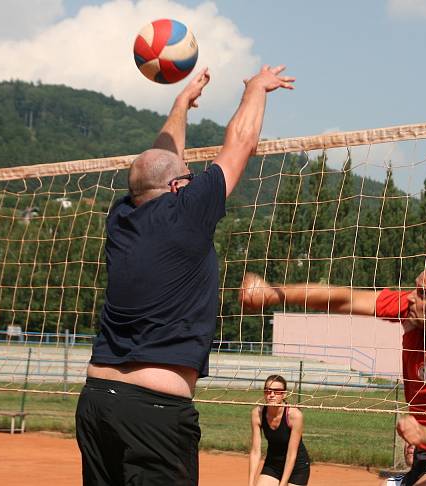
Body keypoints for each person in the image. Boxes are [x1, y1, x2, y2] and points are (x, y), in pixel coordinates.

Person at [74, 65, 295, 486]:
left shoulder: (121, 216)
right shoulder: (187, 210)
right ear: (178, 187)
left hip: (97, 400)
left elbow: (158, 163)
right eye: (187, 177)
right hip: (154, 411)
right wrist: (255, 89)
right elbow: (242, 141)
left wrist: (180, 106)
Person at [240, 264, 426, 486]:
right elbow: (345, 299)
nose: (410, 297)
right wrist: (276, 293)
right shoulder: (413, 312)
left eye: (423, 293)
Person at [249, 375, 311, 486]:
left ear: (284, 394)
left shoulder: (295, 415)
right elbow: (255, 451)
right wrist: (250, 483)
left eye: (277, 391)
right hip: (273, 464)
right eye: (268, 391)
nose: (271, 395)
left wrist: (282, 484)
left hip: (297, 465)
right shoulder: (257, 413)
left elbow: (292, 454)